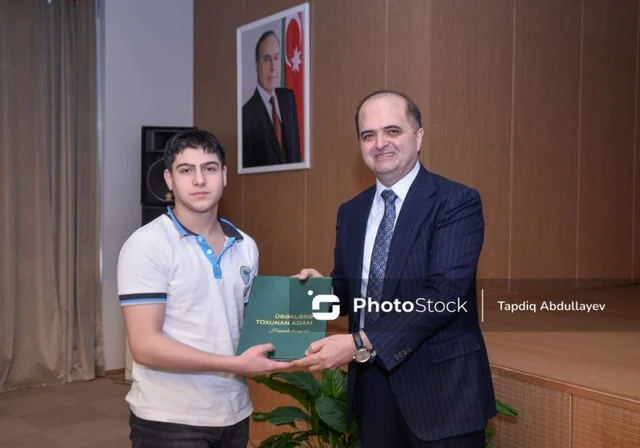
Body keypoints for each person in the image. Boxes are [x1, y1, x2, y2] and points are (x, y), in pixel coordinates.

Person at [293, 90, 496, 447]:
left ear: (418, 137)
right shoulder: (351, 212)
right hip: (374, 395)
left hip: (442, 394)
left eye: (392, 131)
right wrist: (317, 291)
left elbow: (444, 295)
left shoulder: (455, 202)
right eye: (368, 135)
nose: (379, 143)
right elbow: (349, 289)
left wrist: (359, 342)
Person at [117, 128, 290, 447]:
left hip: (234, 413)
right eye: (186, 170)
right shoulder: (147, 245)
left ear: (224, 175)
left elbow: (246, 324)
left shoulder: (245, 245)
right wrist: (234, 365)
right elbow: (145, 346)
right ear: (169, 179)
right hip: (170, 420)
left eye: (209, 168)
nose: (199, 180)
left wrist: (297, 297)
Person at [242, 30, 301, 168]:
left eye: (276, 58)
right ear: (257, 65)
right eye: (267, 59)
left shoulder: (288, 98)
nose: (273, 67)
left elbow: (296, 154)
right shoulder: (247, 114)